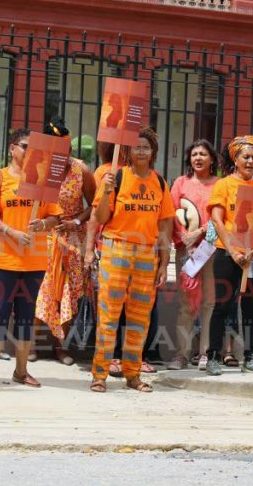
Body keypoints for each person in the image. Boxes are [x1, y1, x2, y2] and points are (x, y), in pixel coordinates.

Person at [0, 128, 63, 388]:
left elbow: (55, 218)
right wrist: (10, 231)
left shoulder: (42, 182)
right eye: (25, 146)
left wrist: (42, 225)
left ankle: (21, 370)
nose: (29, 152)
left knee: (26, 316)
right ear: (12, 148)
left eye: (34, 148)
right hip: (4, 261)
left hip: (34, 262)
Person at [89, 127, 173, 392]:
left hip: (147, 253)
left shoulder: (160, 183)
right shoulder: (117, 177)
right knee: (108, 315)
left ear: (153, 153)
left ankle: (133, 374)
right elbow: (100, 218)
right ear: (128, 151)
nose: (141, 151)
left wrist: (164, 261)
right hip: (117, 249)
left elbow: (165, 225)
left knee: (139, 318)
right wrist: (106, 191)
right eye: (136, 146)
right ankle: (99, 375)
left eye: (146, 147)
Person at [202, 135, 253, 377]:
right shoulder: (224, 185)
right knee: (222, 304)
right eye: (246, 157)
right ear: (236, 159)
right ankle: (213, 356)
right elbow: (217, 219)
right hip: (227, 253)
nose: (251, 161)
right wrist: (233, 251)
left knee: (252, 306)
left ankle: (251, 357)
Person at [36, 118, 96, 364]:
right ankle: (31, 345)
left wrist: (78, 222)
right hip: (43, 237)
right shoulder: (36, 168)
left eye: (65, 149)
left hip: (72, 237)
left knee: (68, 292)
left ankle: (61, 347)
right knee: (41, 290)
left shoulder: (80, 169)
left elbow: (94, 206)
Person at [167, 140, 219, 371]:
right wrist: (184, 239)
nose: (198, 158)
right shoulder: (181, 183)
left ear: (212, 159)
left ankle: (205, 352)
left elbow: (222, 219)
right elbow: (170, 214)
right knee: (186, 304)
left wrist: (198, 233)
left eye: (203, 154)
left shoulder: (220, 184)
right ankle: (181, 354)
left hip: (211, 251)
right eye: (194, 154)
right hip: (185, 251)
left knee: (208, 303)